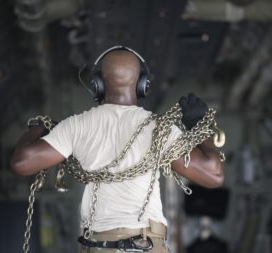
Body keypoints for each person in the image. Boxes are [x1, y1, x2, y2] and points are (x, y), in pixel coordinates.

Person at [11, 46, 224, 253]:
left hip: (98, 246)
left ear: (97, 84)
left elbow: (22, 163)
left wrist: (38, 128)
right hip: (146, 245)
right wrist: (198, 126)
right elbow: (213, 176)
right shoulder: (159, 129)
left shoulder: (76, 126)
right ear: (143, 84)